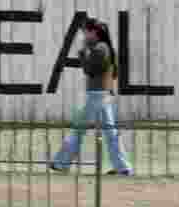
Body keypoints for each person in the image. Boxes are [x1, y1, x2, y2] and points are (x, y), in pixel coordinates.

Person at [50, 17, 133, 176]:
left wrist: (83, 53)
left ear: (93, 32)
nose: (84, 35)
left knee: (78, 129)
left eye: (85, 32)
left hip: (97, 96)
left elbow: (90, 70)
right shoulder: (103, 48)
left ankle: (61, 163)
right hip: (102, 94)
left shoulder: (100, 49)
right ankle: (123, 167)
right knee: (110, 133)